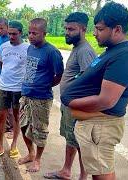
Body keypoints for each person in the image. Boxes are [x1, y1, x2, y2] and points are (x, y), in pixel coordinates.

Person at [61, 2, 128, 180]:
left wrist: (71, 102)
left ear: (116, 29)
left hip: (101, 127)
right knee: (100, 170)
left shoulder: (124, 55)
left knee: (102, 173)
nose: (94, 33)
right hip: (95, 126)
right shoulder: (113, 51)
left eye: (100, 29)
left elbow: (107, 100)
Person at [44, 12, 96, 180]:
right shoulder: (77, 48)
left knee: (80, 141)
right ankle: (66, 171)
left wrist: (77, 103)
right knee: (70, 138)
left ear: (83, 29)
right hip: (70, 105)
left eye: (71, 29)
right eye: (66, 28)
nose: (67, 32)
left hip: (77, 106)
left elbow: (88, 80)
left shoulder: (85, 51)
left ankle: (83, 176)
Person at [18, 18, 64, 172]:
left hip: (42, 98)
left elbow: (59, 75)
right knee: (23, 126)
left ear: (44, 33)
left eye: (35, 33)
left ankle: (37, 160)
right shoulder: (30, 48)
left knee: (40, 130)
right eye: (29, 32)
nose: (31, 36)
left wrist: (45, 85)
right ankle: (30, 153)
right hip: (26, 95)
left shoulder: (52, 52)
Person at [0, 21, 29, 158]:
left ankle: (14, 144)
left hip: (18, 88)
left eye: (14, 34)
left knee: (16, 116)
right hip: (4, 86)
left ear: (21, 33)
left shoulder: (28, 48)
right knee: (1, 116)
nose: (11, 36)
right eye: (9, 33)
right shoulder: (3, 47)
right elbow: (1, 63)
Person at [0, 17, 14, 137]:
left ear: (7, 27)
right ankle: (5, 126)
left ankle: (11, 128)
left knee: (11, 104)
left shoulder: (12, 39)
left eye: (2, 28)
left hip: (9, 76)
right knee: (1, 103)